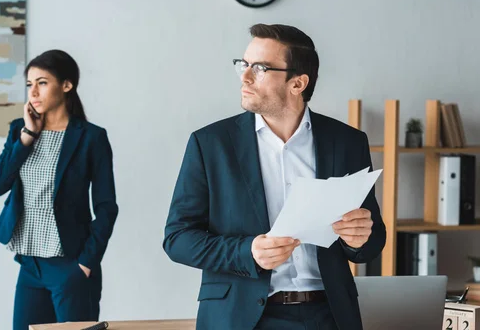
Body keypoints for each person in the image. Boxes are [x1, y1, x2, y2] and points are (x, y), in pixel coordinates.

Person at [163, 24, 385, 330]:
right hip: (241, 318)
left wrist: (360, 239)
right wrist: (248, 251)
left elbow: (372, 241)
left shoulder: (347, 142)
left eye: (260, 68)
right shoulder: (210, 144)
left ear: (297, 83)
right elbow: (177, 239)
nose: (245, 76)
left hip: (328, 316)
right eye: (244, 65)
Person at [0, 50, 118, 330]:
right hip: (30, 266)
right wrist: (27, 137)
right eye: (29, 84)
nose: (33, 92)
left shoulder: (91, 137)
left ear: (66, 85)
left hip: (70, 266)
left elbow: (107, 206)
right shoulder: (18, 131)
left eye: (42, 82)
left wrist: (85, 263)